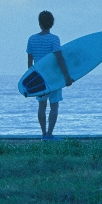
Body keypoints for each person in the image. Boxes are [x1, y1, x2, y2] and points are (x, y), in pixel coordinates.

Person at [27, 10, 73, 139]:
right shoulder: (54, 39)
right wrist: (67, 77)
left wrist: (31, 82)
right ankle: (49, 134)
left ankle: (43, 134)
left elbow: (30, 63)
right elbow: (60, 59)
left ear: (39, 23)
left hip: (39, 79)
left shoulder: (32, 39)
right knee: (54, 105)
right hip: (55, 78)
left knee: (42, 106)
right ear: (52, 23)